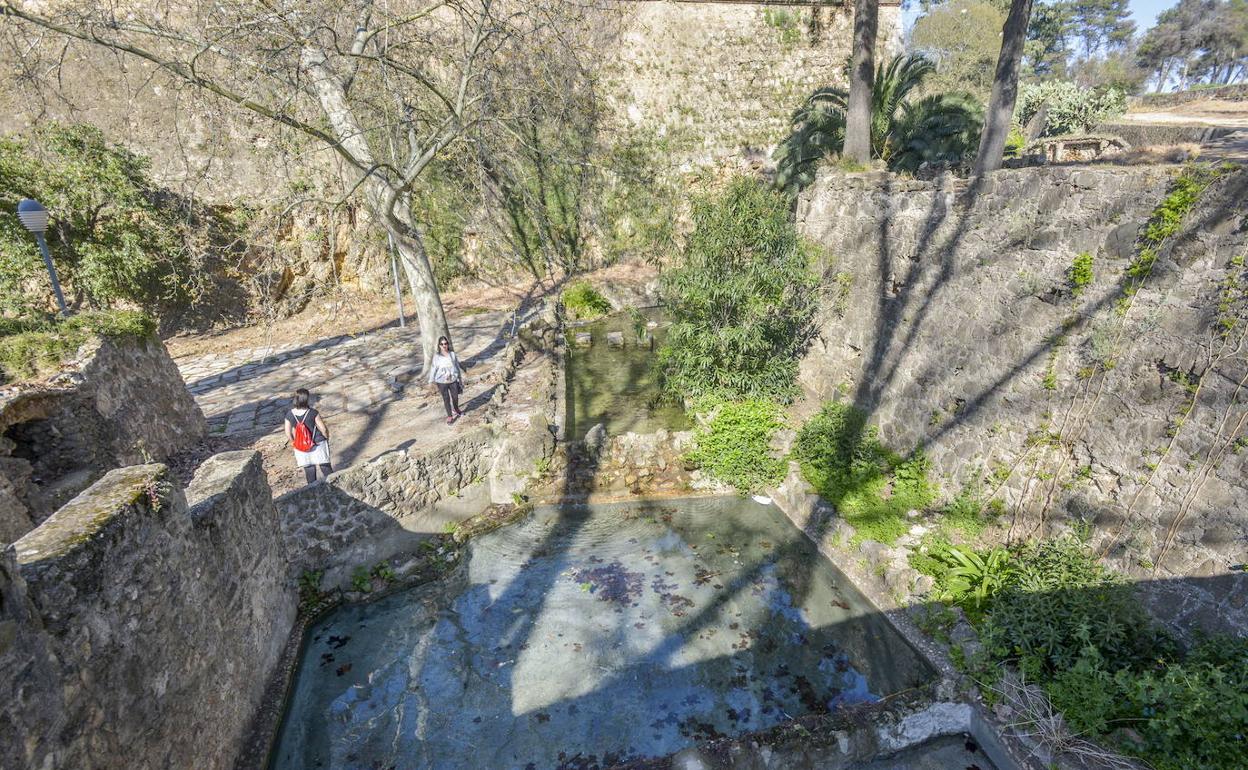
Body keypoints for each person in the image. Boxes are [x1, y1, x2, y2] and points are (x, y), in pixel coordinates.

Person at [284, 388, 332, 484]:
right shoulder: (313, 412)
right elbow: (323, 428)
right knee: (325, 467)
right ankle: (334, 486)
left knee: (309, 470)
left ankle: (313, 493)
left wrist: (294, 442)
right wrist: (326, 437)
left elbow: (288, 432)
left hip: (301, 445)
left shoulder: (289, 414)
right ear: (306, 399)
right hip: (318, 442)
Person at [428, 335, 465, 424]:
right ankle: (449, 416)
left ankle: (456, 409)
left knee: (455, 396)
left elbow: (456, 366)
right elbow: (433, 369)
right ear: (439, 346)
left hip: (453, 379)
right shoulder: (437, 357)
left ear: (448, 344)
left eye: (446, 343)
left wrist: (460, 378)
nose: (444, 345)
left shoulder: (452, 354)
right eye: (442, 344)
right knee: (446, 398)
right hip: (441, 381)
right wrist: (431, 381)